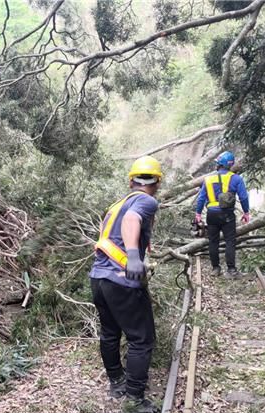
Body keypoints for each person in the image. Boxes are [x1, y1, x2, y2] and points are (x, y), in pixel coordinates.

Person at [90, 156, 162, 413]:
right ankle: (134, 400)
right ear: (157, 182)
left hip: (99, 278)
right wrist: (133, 257)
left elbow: (102, 236)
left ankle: (116, 380)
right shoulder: (146, 201)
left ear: (131, 181)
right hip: (122, 280)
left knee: (109, 332)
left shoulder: (114, 206)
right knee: (141, 339)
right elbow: (132, 219)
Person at [194, 151, 250, 278]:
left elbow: (201, 199)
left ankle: (215, 269)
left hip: (212, 214)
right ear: (230, 165)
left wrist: (198, 213)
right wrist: (246, 212)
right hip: (227, 215)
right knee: (230, 241)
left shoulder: (208, 180)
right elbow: (244, 197)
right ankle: (231, 270)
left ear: (219, 164)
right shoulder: (236, 178)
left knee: (213, 241)